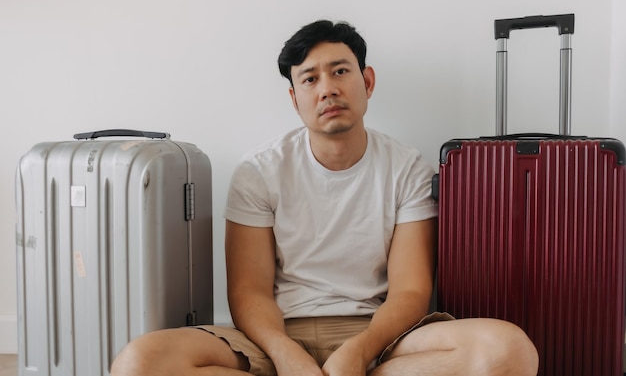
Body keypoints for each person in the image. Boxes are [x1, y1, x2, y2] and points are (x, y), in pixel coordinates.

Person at [111, 20, 539, 376]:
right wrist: (285, 354)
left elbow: (410, 290)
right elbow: (249, 291)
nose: (327, 89)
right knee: (139, 363)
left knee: (509, 350)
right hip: (277, 336)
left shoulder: (407, 168)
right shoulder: (259, 171)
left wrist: (358, 352)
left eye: (340, 72)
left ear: (367, 81)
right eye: (310, 79)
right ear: (295, 98)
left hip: (381, 338)